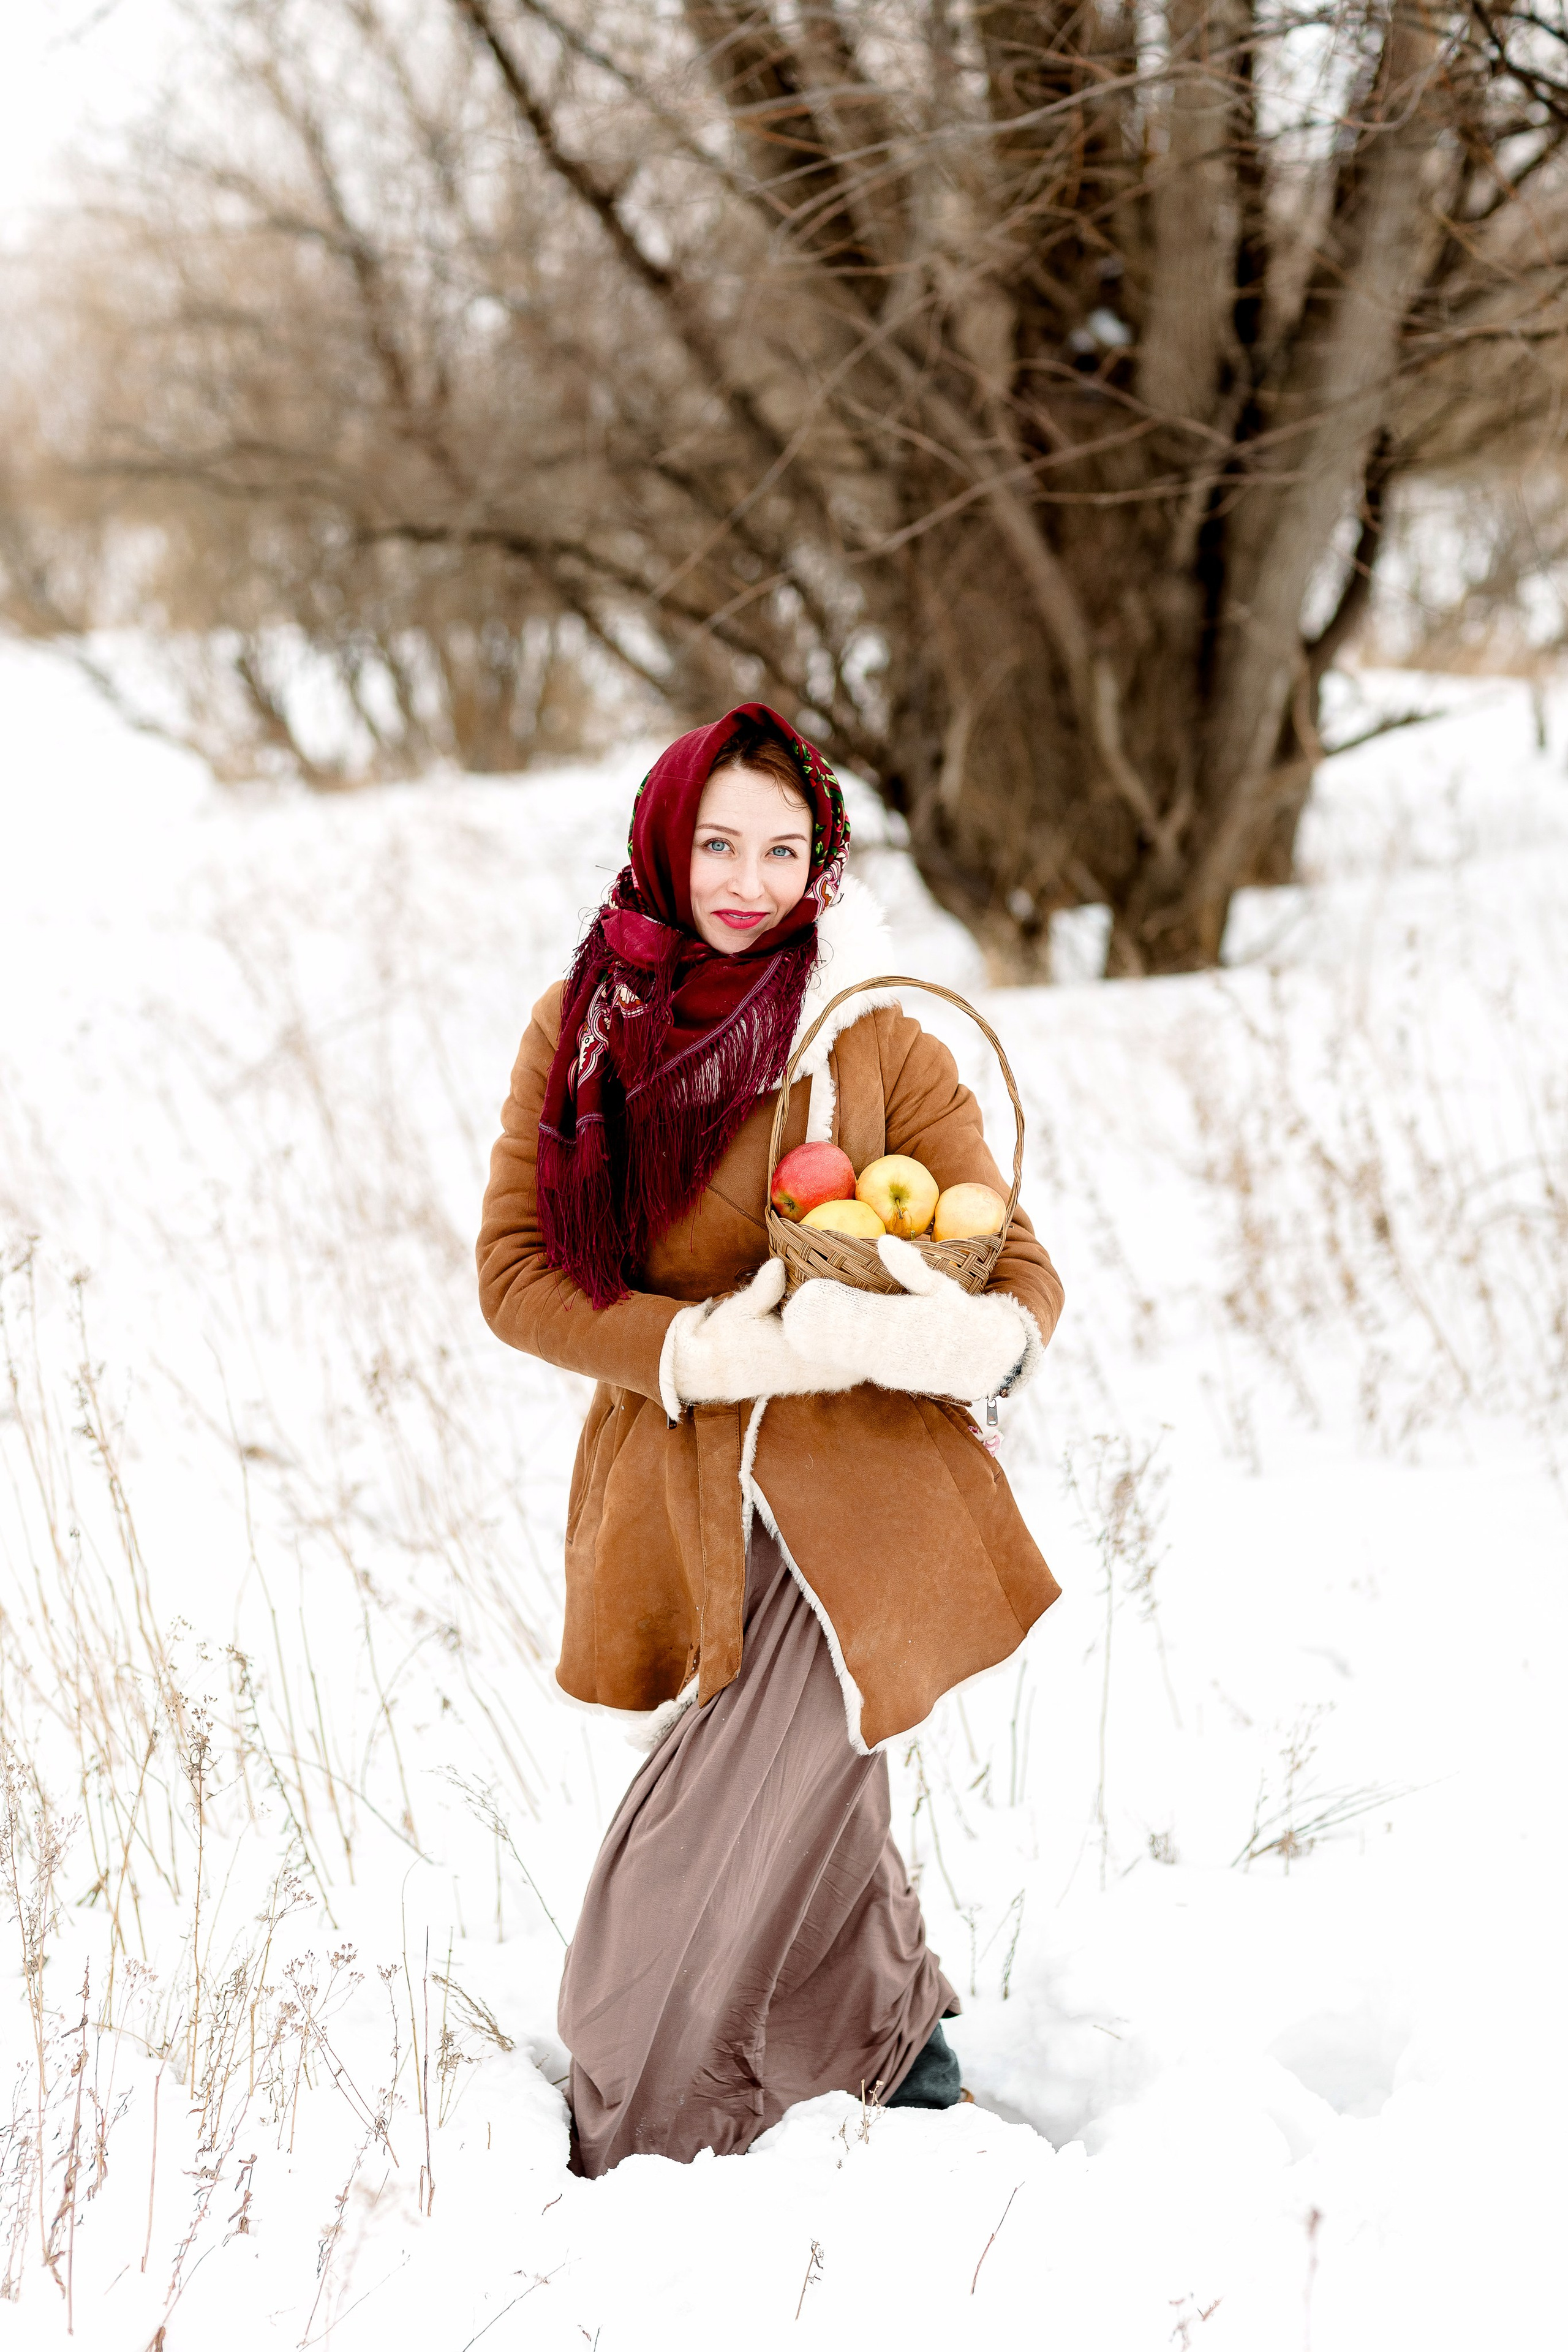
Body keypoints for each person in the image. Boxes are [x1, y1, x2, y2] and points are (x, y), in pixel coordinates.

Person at [477, 704, 1064, 2176]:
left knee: (731, 1807)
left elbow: (1017, 1263)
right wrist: (693, 1345)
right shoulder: (579, 1030)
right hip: (686, 1488)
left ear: (823, 861)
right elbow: (514, 1280)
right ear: (663, 842)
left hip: (859, 1508)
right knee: (815, 1784)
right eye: (715, 844)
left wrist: (940, 1333)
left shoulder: (872, 1030)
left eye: (780, 849)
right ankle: (895, 2054)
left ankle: (640, 2110)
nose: (745, 879)